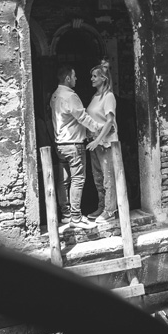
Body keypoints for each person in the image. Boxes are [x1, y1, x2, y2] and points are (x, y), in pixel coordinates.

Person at [50, 65, 101, 231]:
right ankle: (76, 217)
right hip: (73, 144)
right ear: (67, 79)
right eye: (74, 76)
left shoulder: (55, 95)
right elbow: (82, 117)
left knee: (63, 181)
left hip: (60, 145)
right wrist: (98, 129)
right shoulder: (70, 96)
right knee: (78, 180)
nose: (76, 79)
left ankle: (65, 215)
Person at [86, 59, 120, 227]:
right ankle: (101, 207)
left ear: (103, 79)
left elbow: (110, 121)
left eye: (94, 76)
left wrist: (99, 140)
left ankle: (110, 210)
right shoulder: (95, 96)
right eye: (91, 76)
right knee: (98, 177)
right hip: (95, 143)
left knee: (108, 177)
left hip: (105, 143)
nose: (91, 79)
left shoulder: (109, 97)